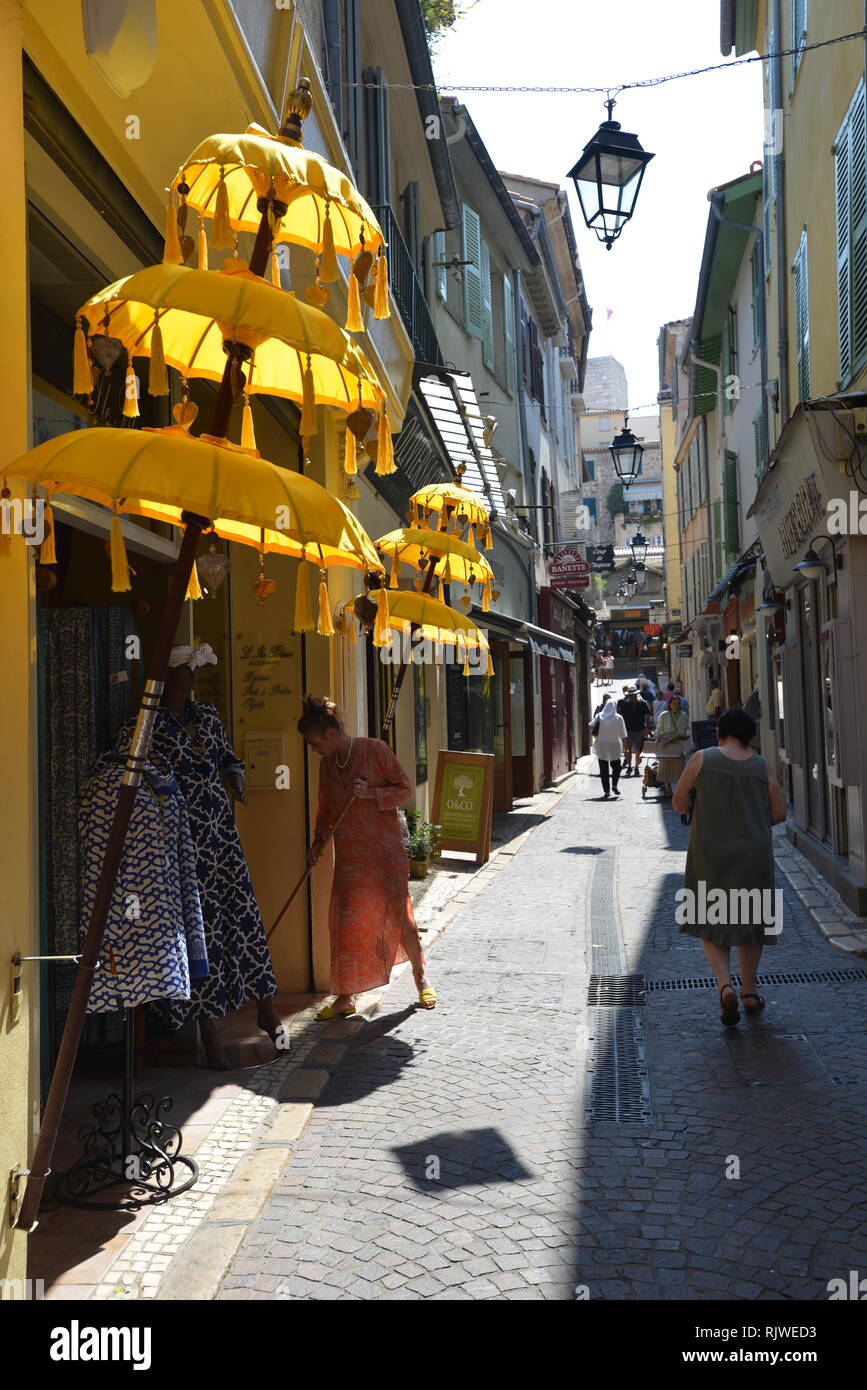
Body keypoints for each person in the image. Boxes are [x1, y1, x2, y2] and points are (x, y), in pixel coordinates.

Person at [123, 643, 281, 1069]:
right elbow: (130, 768)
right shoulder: (147, 724)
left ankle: (267, 1010)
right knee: (199, 930)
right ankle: (209, 1036)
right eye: (188, 670)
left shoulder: (207, 715)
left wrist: (235, 774)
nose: (194, 677)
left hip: (220, 833)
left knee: (243, 915)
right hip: (180, 838)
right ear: (172, 676)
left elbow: (228, 756)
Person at [300, 695, 435, 1018]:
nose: (312, 749)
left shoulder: (374, 750)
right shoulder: (327, 765)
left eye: (314, 742)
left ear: (330, 734)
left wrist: (372, 793)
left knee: (399, 917)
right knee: (344, 921)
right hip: (350, 855)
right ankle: (345, 997)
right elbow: (326, 810)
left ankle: (421, 979)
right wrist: (317, 844)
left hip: (384, 852)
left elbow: (404, 788)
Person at [672, 707, 788, 1027]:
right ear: (750, 737)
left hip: (709, 852)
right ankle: (749, 993)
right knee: (751, 922)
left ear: (720, 732)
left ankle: (726, 986)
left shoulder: (702, 759)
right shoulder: (761, 765)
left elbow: (679, 803)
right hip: (753, 853)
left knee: (711, 919)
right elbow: (779, 813)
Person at [655, 694, 691, 798]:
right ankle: (668, 788)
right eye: (674, 704)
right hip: (665, 743)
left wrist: (670, 740)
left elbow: (681, 731)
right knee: (666, 767)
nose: (676, 706)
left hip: (677, 743)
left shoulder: (683, 715)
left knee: (679, 767)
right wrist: (658, 738)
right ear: (669, 705)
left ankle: (680, 789)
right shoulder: (663, 715)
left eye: (678, 704)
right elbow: (659, 729)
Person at [591, 698, 626, 798]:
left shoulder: (599, 716)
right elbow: (623, 734)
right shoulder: (619, 718)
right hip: (615, 745)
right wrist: (626, 747)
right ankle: (614, 784)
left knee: (603, 769)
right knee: (617, 766)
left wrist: (595, 734)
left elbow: (591, 726)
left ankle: (606, 791)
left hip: (601, 745)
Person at [617, 686, 653, 777]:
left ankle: (636, 767)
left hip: (640, 730)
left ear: (636, 694)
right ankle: (629, 766)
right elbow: (620, 717)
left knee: (638, 750)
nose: (632, 696)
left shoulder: (643, 704)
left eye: (633, 695)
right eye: (630, 695)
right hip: (628, 730)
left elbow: (647, 716)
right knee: (628, 750)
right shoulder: (625, 704)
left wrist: (648, 728)